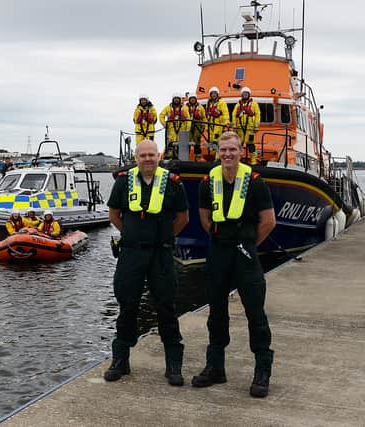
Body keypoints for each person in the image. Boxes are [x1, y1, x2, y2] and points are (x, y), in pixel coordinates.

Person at [192, 131, 276, 398]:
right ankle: (216, 367)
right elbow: (205, 218)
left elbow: (268, 221)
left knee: (255, 313)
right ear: (218, 152)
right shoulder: (208, 181)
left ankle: (262, 371)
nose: (227, 154)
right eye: (223, 150)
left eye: (232, 149)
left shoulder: (255, 182)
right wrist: (222, 240)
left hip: (244, 251)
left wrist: (249, 244)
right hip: (219, 251)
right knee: (216, 312)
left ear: (241, 151)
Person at [104, 139, 189, 385]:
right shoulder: (123, 181)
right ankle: (120, 361)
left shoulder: (173, 184)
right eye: (143, 155)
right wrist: (132, 235)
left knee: (166, 306)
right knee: (127, 305)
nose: (148, 159)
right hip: (131, 254)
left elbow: (183, 217)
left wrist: (164, 236)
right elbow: (114, 214)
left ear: (158, 156)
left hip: (160, 255)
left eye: (152, 154)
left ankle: (173, 364)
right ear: (136, 157)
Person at [231, 87, 261, 165]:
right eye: (244, 94)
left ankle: (253, 161)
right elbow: (234, 115)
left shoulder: (254, 104)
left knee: (251, 145)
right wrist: (234, 126)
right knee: (239, 144)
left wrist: (256, 126)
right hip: (240, 128)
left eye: (246, 94)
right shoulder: (238, 105)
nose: (245, 95)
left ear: (249, 95)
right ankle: (237, 160)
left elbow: (258, 115)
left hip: (250, 128)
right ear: (242, 95)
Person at [159, 93, 191, 159]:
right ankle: (170, 157)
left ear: (180, 100)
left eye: (177, 98)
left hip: (181, 130)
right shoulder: (168, 108)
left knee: (180, 146)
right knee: (170, 144)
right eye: (175, 98)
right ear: (173, 99)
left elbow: (188, 119)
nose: (176, 100)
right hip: (171, 130)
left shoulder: (184, 108)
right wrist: (164, 124)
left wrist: (187, 128)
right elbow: (161, 115)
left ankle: (179, 158)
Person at [205, 86, 230, 157]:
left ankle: (217, 158)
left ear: (217, 94)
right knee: (212, 143)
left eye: (215, 93)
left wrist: (226, 123)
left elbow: (225, 113)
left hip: (218, 125)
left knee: (217, 141)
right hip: (210, 126)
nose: (213, 95)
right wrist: (206, 127)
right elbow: (207, 116)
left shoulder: (222, 102)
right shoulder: (209, 104)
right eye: (212, 93)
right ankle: (213, 158)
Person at [186, 93, 207, 161]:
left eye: (193, 99)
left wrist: (204, 126)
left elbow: (204, 117)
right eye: (191, 99)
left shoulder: (200, 107)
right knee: (187, 142)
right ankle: (186, 158)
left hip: (197, 126)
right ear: (189, 100)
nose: (192, 100)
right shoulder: (185, 107)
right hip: (187, 126)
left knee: (197, 142)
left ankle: (197, 158)